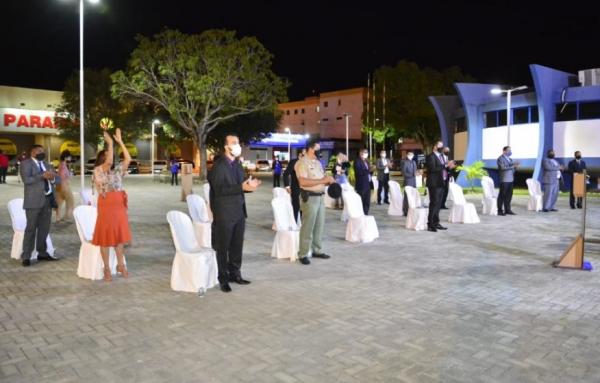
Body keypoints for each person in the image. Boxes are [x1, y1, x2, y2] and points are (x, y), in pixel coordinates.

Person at [208, 134, 260, 292]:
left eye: (238, 142)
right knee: (223, 247)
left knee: (237, 246)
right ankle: (223, 278)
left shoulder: (237, 165)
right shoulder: (218, 166)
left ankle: (235, 274)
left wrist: (250, 186)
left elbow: (241, 186)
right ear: (226, 147)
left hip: (239, 212)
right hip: (224, 213)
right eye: (234, 143)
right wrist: (242, 187)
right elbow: (219, 190)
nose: (237, 145)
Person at [92, 128, 132, 281]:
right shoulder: (97, 170)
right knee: (105, 238)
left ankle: (120, 265)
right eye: (108, 155)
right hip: (106, 206)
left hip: (118, 206)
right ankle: (106, 267)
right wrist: (109, 143)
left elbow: (128, 159)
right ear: (103, 158)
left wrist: (120, 142)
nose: (111, 158)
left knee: (119, 238)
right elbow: (108, 162)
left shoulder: (116, 172)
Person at [295, 139, 335, 265]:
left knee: (319, 225)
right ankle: (303, 253)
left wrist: (328, 180)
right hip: (309, 197)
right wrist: (322, 181)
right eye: (318, 148)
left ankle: (317, 250)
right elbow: (303, 182)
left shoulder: (317, 163)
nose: (320, 150)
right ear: (311, 148)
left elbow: (321, 178)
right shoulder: (302, 163)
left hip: (320, 197)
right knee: (308, 226)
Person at [19, 144, 60, 266]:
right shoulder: (25, 164)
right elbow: (27, 180)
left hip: (47, 201)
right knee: (30, 229)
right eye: (39, 151)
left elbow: (58, 180)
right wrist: (42, 176)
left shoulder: (47, 165)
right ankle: (26, 256)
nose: (42, 153)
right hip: (33, 202)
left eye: (43, 151)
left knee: (44, 229)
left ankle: (42, 253)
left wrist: (52, 178)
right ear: (32, 152)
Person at [425, 141, 455, 232]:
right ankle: (430, 224)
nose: (441, 148)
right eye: (439, 146)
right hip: (434, 183)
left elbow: (443, 168)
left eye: (442, 146)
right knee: (434, 203)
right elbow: (433, 169)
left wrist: (449, 167)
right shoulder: (431, 156)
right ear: (434, 147)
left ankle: (436, 222)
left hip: (442, 182)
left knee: (438, 204)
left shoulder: (442, 156)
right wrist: (445, 165)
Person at [283, 148, 306, 223]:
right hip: (295, 187)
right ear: (300, 154)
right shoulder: (293, 162)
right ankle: (294, 223)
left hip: (306, 188)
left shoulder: (307, 162)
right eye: (304, 152)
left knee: (304, 207)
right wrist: (287, 186)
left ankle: (302, 224)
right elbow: (286, 174)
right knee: (296, 207)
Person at [497, 146, 519, 216]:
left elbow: (512, 169)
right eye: (508, 150)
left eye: (510, 150)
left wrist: (515, 167)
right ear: (504, 151)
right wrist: (513, 166)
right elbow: (503, 168)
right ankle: (500, 211)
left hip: (510, 180)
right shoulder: (500, 159)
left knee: (509, 196)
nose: (510, 152)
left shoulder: (510, 159)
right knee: (502, 196)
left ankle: (507, 210)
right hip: (504, 180)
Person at [55, 150, 74, 223]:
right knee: (70, 202)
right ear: (66, 157)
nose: (70, 158)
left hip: (59, 186)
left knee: (59, 203)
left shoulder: (61, 164)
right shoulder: (63, 165)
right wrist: (67, 178)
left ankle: (58, 218)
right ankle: (67, 217)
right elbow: (62, 175)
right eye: (69, 157)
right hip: (65, 186)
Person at [354, 148, 372, 215]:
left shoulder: (366, 161)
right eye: (364, 152)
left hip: (368, 183)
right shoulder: (357, 161)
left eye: (366, 152)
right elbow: (359, 172)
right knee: (361, 200)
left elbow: (368, 172)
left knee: (367, 200)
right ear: (360, 153)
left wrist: (371, 170)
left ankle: (366, 213)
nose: (365, 154)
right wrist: (369, 170)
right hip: (361, 184)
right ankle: (360, 213)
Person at [402, 151, 417, 216]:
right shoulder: (405, 162)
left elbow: (415, 171)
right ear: (407, 155)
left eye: (412, 154)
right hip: (408, 181)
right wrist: (412, 175)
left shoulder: (414, 162)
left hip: (413, 181)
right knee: (407, 197)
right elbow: (404, 173)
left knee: (413, 196)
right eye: (409, 154)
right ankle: (405, 211)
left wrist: (417, 173)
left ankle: (412, 209)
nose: (411, 156)